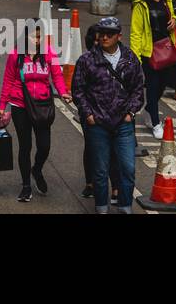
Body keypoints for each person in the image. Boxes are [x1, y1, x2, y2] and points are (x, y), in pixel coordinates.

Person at [70, 16, 145, 214]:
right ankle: (102, 208)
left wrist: (130, 112)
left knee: (127, 168)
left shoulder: (130, 58)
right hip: (98, 124)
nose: (104, 37)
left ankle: (125, 206)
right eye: (101, 33)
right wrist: (88, 115)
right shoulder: (87, 60)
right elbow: (78, 90)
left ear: (119, 36)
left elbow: (138, 89)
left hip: (123, 124)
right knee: (100, 170)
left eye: (109, 34)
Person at [0, 22, 70, 203]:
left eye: (39, 37)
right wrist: (2, 104)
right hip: (20, 105)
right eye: (33, 36)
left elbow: (57, 75)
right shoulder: (16, 55)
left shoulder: (49, 53)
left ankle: (36, 169)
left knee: (44, 146)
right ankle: (26, 186)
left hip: (43, 105)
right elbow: (8, 79)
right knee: (25, 146)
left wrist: (63, 92)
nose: (36, 41)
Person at [130, 0, 176, 138]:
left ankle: (150, 109)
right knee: (152, 85)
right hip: (148, 51)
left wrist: (175, 20)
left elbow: (173, 16)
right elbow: (136, 32)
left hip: (166, 47)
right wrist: (135, 57)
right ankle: (156, 122)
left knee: (162, 84)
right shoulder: (140, 4)